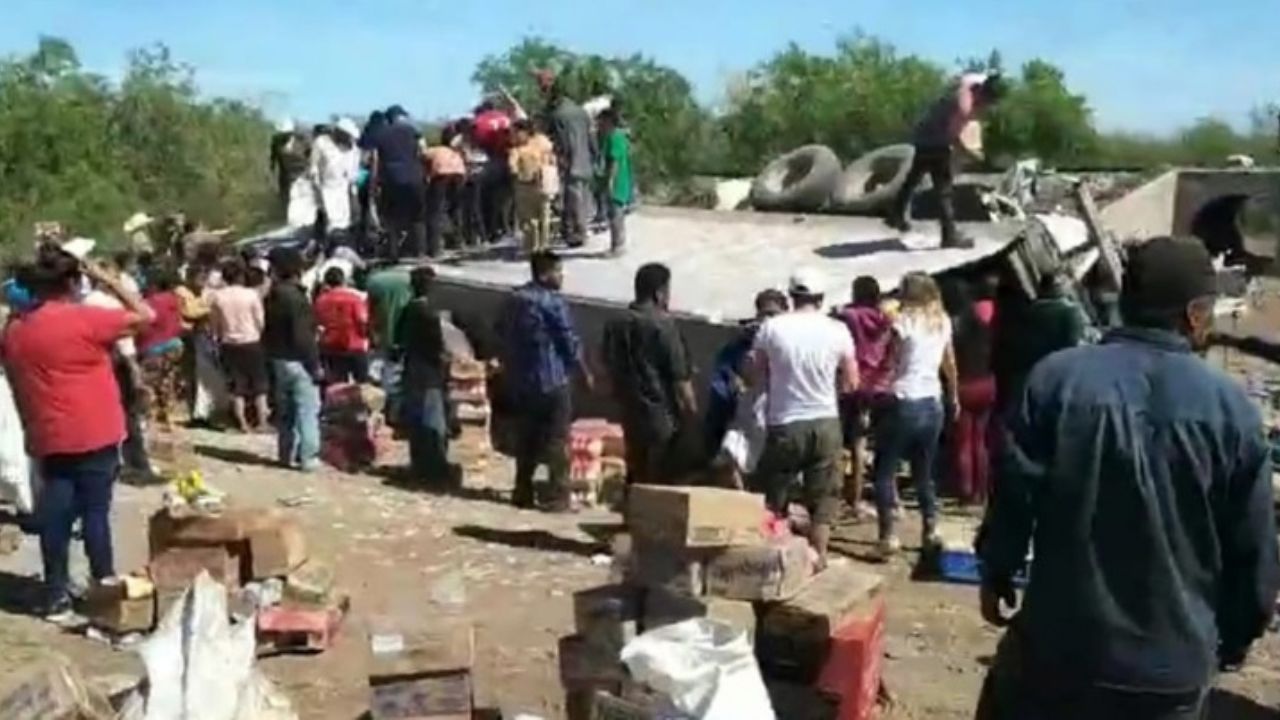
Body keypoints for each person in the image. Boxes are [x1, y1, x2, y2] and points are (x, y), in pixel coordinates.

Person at [974, 236, 1280, 720]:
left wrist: (996, 569)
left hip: (1057, 654)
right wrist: (1237, 635)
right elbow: (1254, 546)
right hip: (1169, 669)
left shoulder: (1056, 379)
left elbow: (1013, 493)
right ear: (1196, 313)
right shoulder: (1232, 410)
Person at [3, 242, 153, 622]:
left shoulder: (16, 330)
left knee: (55, 515)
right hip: (97, 430)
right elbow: (144, 313)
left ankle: (56, 595)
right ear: (74, 281)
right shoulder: (86, 319)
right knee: (95, 514)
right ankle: (102, 587)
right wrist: (106, 278)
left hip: (48, 435)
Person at [748, 268, 857, 567]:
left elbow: (753, 374)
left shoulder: (771, 328)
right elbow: (851, 382)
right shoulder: (838, 330)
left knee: (777, 494)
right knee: (823, 498)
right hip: (825, 420)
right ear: (820, 298)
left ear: (792, 296)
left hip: (785, 421)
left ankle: (776, 560)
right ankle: (818, 558)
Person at [869, 272, 958, 558]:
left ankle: (888, 536)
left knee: (885, 471)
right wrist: (953, 396)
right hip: (932, 400)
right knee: (924, 471)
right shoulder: (942, 321)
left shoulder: (902, 323)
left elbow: (891, 363)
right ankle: (931, 529)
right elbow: (949, 363)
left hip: (903, 398)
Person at [497, 250, 592, 510]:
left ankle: (522, 490)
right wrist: (585, 372)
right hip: (552, 379)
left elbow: (501, 333)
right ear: (544, 274)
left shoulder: (514, 299)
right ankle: (557, 495)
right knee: (556, 438)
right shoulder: (552, 302)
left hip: (522, 379)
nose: (562, 277)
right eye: (558, 272)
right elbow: (568, 341)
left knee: (526, 437)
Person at [885, 73, 1006, 249]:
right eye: (989, 101)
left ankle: (895, 215)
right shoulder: (964, 107)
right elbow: (953, 136)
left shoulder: (972, 81)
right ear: (985, 95)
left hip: (923, 131)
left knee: (914, 176)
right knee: (943, 189)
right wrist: (970, 154)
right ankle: (950, 236)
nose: (986, 107)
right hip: (936, 139)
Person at [601, 263, 696, 486]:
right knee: (660, 475)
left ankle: (633, 512)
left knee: (636, 466)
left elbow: (605, 361)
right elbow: (680, 376)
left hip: (629, 409)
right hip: (660, 413)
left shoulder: (615, 322)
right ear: (659, 293)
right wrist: (692, 411)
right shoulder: (663, 325)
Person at [82, 254, 154, 482]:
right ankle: (136, 464)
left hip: (112, 360)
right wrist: (134, 369)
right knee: (128, 414)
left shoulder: (90, 300)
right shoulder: (103, 302)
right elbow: (143, 318)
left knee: (123, 414)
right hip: (118, 359)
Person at [835, 276, 895, 519]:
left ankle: (837, 495)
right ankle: (858, 499)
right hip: (876, 386)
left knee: (840, 444)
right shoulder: (885, 320)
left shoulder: (848, 316)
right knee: (863, 445)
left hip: (849, 384)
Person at [263, 247, 322, 471]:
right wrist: (314, 365)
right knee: (307, 410)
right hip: (297, 361)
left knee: (286, 412)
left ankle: (285, 454)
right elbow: (303, 337)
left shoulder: (273, 296)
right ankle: (308, 458)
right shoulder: (296, 298)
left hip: (278, 360)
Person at [1001, 269, 1088, 412]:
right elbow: (1074, 344)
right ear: (1059, 287)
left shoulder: (1028, 310)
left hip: (1030, 370)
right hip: (1059, 373)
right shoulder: (1069, 311)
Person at [395, 266, 452, 484]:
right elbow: (438, 346)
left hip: (413, 371)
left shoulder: (409, 309)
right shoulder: (429, 313)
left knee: (418, 421)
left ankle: (420, 465)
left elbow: (399, 339)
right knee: (433, 424)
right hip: (430, 375)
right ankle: (434, 469)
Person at [949, 280, 998, 504]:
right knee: (982, 440)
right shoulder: (998, 320)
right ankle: (983, 491)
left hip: (965, 383)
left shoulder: (959, 323)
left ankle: (967, 492)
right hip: (988, 382)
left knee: (964, 442)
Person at [209, 260, 269, 431]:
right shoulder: (251, 295)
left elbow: (215, 325)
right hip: (251, 341)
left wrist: (217, 339)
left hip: (229, 343)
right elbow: (260, 320)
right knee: (259, 384)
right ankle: (262, 421)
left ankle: (242, 422)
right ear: (240, 276)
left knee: (237, 386)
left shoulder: (218, 297)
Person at [540, 73, 596, 247]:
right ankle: (575, 230)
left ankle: (577, 233)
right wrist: (595, 156)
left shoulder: (558, 114)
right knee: (581, 198)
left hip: (570, 162)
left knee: (571, 200)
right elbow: (591, 137)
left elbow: (560, 140)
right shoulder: (581, 111)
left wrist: (561, 158)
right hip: (585, 161)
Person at [368, 105, 427, 259]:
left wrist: (373, 184)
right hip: (414, 177)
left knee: (391, 218)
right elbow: (423, 151)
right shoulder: (413, 131)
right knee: (417, 217)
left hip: (391, 179)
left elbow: (375, 160)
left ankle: (393, 253)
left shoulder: (380, 133)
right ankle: (419, 252)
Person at [136, 265, 187, 433]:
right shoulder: (175, 299)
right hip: (174, 344)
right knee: (168, 382)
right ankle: (168, 416)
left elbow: (144, 324)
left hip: (153, 347)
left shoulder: (150, 302)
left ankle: (151, 419)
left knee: (149, 384)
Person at [366, 264, 414, 425]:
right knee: (398, 375)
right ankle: (396, 414)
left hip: (384, 335)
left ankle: (385, 412)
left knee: (382, 373)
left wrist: (373, 334)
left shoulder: (373, 282)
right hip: (403, 335)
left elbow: (370, 312)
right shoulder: (407, 280)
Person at [508, 119, 557, 254]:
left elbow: (551, 158)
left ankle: (542, 245)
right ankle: (533, 246)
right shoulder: (517, 148)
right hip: (525, 186)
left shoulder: (540, 142)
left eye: (517, 132)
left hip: (540, 185)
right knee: (529, 219)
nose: (515, 135)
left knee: (543, 217)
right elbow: (513, 168)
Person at [314, 266, 370, 384]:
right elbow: (362, 320)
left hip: (331, 346)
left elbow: (319, 323)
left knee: (338, 384)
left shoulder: (321, 300)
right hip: (355, 345)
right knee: (362, 383)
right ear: (343, 281)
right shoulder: (354, 299)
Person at [311, 118, 361, 248]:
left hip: (343, 189)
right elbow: (314, 167)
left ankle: (343, 248)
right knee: (330, 222)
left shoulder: (353, 149)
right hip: (326, 188)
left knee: (345, 223)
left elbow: (353, 173)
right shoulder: (321, 143)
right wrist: (317, 188)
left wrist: (353, 194)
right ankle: (326, 249)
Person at [422, 127, 466, 253]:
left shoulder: (435, 150)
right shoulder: (456, 153)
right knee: (456, 209)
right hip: (459, 176)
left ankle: (435, 247)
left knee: (435, 211)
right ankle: (458, 241)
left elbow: (422, 156)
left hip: (442, 176)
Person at [598, 108, 633, 256]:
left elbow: (614, 161)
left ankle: (618, 246)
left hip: (617, 182)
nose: (599, 124)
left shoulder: (614, 138)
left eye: (601, 121)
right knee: (615, 214)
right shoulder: (615, 137)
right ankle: (617, 244)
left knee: (615, 215)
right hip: (619, 180)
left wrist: (610, 181)